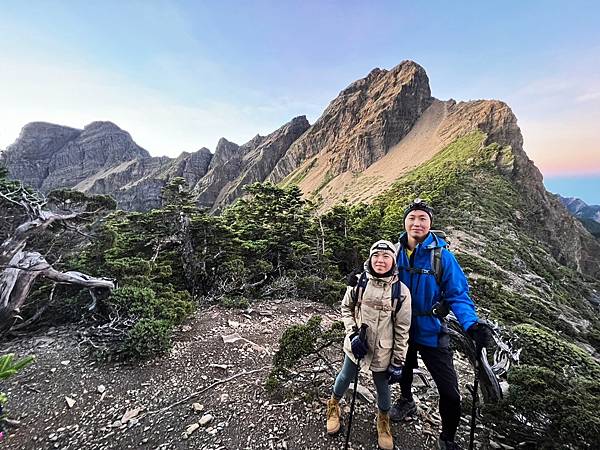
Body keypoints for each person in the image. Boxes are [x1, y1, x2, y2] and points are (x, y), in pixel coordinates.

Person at [389, 199, 491, 450]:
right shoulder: (395, 251)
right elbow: (377, 273)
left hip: (432, 329)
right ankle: (406, 400)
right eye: (412, 217)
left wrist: (472, 325)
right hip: (402, 327)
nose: (417, 222)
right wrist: (358, 280)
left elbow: (458, 294)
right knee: (404, 368)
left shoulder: (442, 257)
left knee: (450, 392)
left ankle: (447, 438)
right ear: (405, 222)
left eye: (423, 218)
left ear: (430, 224)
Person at [326, 240, 412, 450]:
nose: (380, 261)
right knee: (345, 376)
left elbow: (402, 330)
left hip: (383, 350)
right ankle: (333, 405)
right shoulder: (358, 282)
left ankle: (383, 421)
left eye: (386, 257)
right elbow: (346, 309)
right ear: (370, 258)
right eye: (376, 256)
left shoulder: (401, 292)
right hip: (356, 345)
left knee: (382, 387)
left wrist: (398, 361)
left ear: (393, 260)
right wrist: (353, 334)